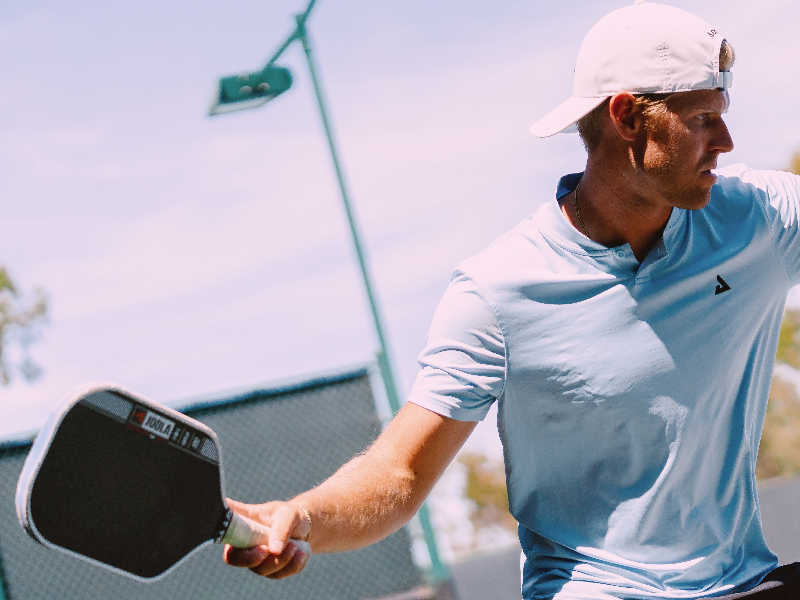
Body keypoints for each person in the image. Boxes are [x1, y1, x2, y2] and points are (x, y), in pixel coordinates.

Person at [224, 2, 800, 598]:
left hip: (738, 581)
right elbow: (399, 475)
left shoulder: (759, 219)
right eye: (703, 119)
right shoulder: (496, 294)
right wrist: (307, 518)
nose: (726, 141)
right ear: (627, 117)